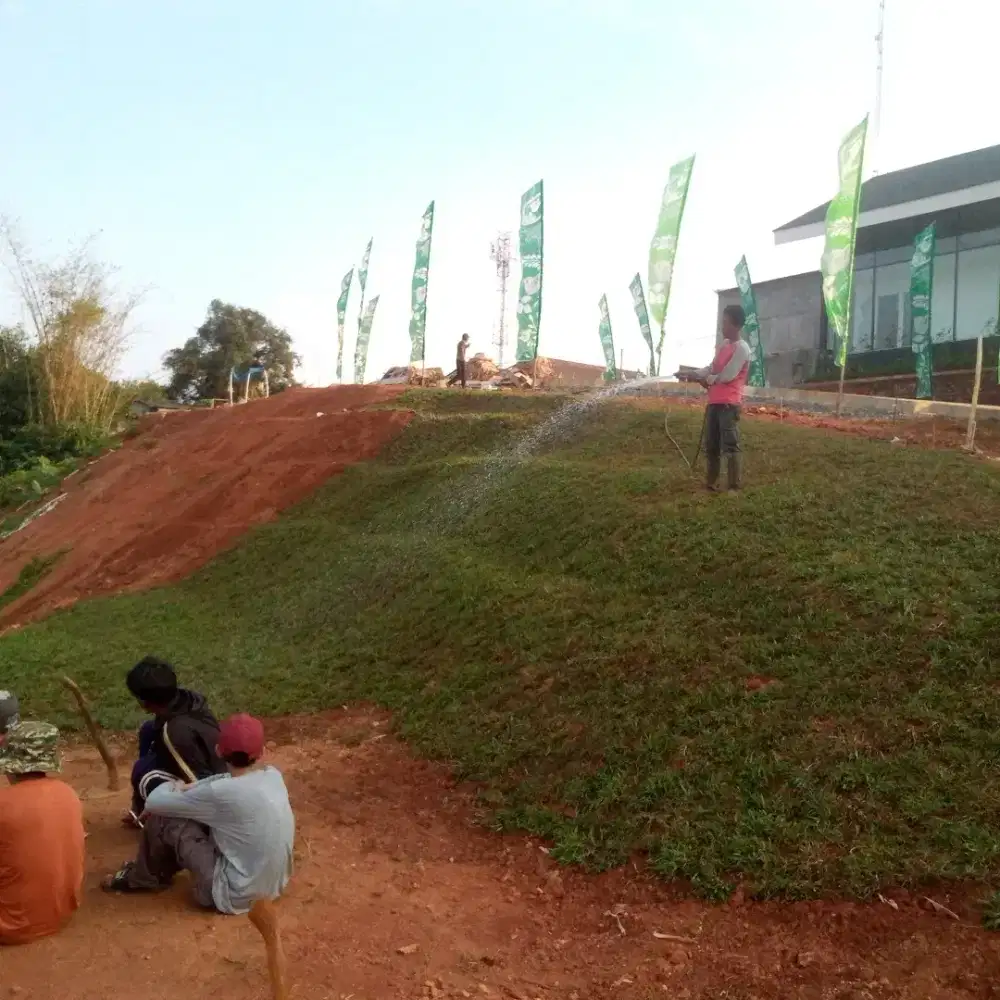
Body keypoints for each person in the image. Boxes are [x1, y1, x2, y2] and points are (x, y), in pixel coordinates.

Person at [104, 714, 294, 914]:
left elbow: (153, 802)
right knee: (200, 815)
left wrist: (174, 786)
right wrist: (189, 788)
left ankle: (143, 878)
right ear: (262, 752)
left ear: (218, 750)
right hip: (273, 888)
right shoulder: (273, 776)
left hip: (231, 897)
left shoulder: (221, 792)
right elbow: (222, 779)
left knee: (165, 819)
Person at [0, 721, 85, 946]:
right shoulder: (68, 794)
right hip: (61, 914)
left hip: (12, 926)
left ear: (10, 763)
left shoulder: (4, 803)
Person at [125, 656, 226, 821]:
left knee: (143, 774)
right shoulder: (188, 699)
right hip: (210, 759)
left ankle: (155, 817)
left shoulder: (174, 733)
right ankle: (139, 807)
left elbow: (201, 781)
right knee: (148, 730)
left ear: (145, 702)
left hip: (211, 786)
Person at [696, 304, 751, 492]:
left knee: (730, 445)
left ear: (736, 325)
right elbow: (712, 367)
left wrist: (708, 379)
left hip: (729, 404)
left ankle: (734, 486)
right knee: (711, 445)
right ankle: (711, 483)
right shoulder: (724, 346)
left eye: (725, 322)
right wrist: (693, 374)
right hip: (714, 402)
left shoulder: (742, 349)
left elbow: (728, 374)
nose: (722, 327)